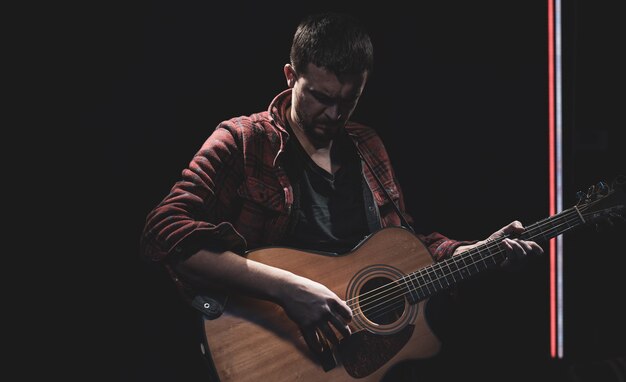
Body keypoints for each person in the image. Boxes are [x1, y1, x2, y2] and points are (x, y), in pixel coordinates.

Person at [140, 11, 543, 380]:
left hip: (356, 361)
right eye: (321, 97)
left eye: (349, 100)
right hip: (271, 354)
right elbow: (164, 230)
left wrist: (472, 252)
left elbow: (403, 247)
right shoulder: (243, 140)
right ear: (289, 76)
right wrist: (288, 289)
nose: (334, 115)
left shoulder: (366, 145)